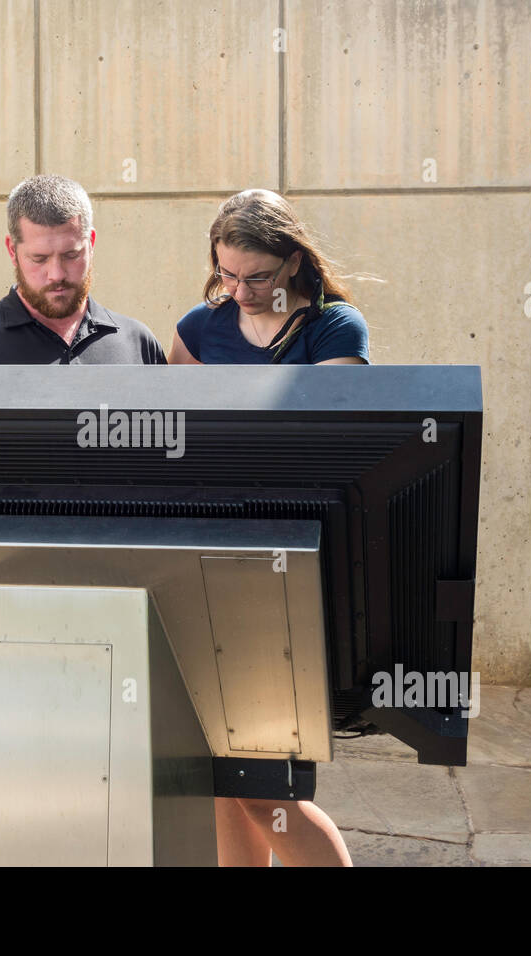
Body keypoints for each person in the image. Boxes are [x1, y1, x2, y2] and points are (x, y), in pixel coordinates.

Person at [168, 188, 367, 866]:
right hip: (207, 558)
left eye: (256, 276)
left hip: (292, 564)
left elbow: (331, 449)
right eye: (226, 273)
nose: (240, 290)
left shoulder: (336, 330)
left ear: (290, 263)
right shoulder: (199, 328)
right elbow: (175, 444)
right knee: (220, 773)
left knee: (263, 779)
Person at [0, 175, 165, 365]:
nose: (57, 274)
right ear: (12, 251)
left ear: (91, 244)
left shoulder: (138, 344)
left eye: (71, 255)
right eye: (39, 258)